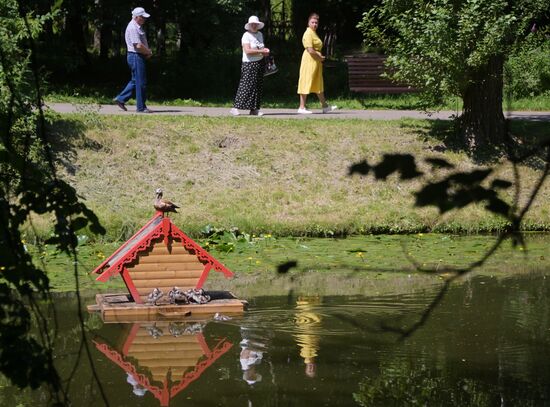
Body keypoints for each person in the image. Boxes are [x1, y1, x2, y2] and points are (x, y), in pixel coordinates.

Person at [114, 7, 153, 113]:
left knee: (135, 81)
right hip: (135, 56)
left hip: (137, 56)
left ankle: (120, 99)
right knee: (141, 82)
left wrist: (146, 52)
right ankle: (141, 107)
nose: (144, 19)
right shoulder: (132, 28)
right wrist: (148, 52)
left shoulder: (137, 26)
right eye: (142, 17)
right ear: (136, 17)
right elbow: (138, 45)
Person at [297, 13, 337, 115]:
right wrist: (319, 57)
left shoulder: (314, 33)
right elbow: (310, 49)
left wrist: (319, 58)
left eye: (316, 22)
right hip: (309, 61)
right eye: (312, 22)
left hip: (316, 62)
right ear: (308, 23)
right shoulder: (308, 33)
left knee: (318, 83)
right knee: (306, 81)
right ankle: (301, 107)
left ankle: (325, 106)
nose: (314, 24)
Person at [230, 16, 270, 117]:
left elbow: (261, 47)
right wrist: (261, 51)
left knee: (257, 87)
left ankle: (254, 109)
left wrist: (265, 51)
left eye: (256, 24)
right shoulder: (246, 35)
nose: (254, 25)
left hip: (259, 62)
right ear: (249, 25)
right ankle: (235, 108)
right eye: (252, 24)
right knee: (246, 86)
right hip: (249, 64)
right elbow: (247, 51)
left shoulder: (260, 34)